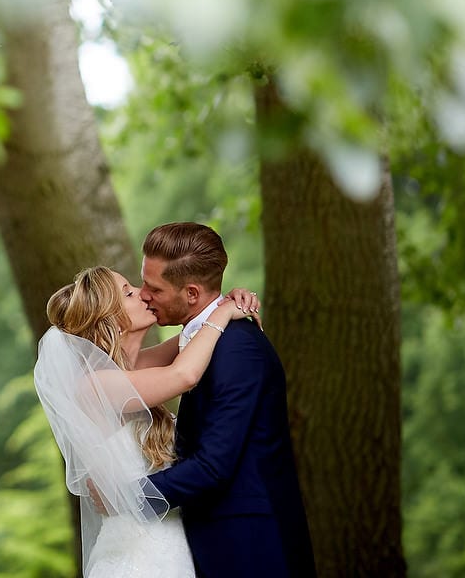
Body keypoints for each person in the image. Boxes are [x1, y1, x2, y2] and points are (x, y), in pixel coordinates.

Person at [35, 264, 257, 577]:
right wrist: (223, 314)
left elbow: (196, 335)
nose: (143, 294)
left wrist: (227, 302)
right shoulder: (94, 386)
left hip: (173, 543)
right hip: (138, 557)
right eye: (128, 293)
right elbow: (185, 374)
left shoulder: (136, 367)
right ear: (111, 319)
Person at [140, 222, 315, 578]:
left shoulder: (238, 348)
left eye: (154, 288)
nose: (144, 295)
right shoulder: (208, 338)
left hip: (251, 549)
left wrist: (129, 498)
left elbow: (213, 466)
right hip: (223, 542)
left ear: (191, 293)